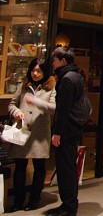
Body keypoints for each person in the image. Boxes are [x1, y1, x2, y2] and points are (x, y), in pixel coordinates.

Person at [7, 58, 56, 212]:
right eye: (33, 70)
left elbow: (54, 108)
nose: (35, 73)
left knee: (39, 167)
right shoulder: (24, 85)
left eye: (39, 71)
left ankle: (34, 199)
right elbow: (12, 104)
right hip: (22, 130)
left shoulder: (51, 88)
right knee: (19, 167)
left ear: (45, 72)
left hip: (39, 134)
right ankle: (18, 200)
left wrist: (36, 101)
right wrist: (16, 112)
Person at [48, 47, 85, 216]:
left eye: (55, 60)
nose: (53, 63)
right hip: (73, 128)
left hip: (67, 130)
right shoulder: (76, 76)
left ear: (63, 61)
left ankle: (68, 206)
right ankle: (69, 203)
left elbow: (63, 109)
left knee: (66, 167)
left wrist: (57, 132)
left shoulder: (67, 79)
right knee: (68, 166)